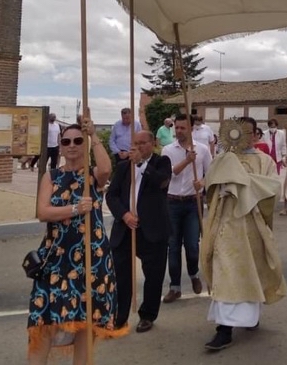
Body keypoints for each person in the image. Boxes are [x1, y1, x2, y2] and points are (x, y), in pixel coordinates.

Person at [27, 118, 125, 364]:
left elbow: (105, 169)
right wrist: (75, 209)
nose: (72, 145)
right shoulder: (51, 176)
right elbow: (43, 212)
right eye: (66, 141)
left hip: (93, 259)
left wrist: (94, 136)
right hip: (56, 257)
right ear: (59, 146)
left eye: (78, 141)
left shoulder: (92, 176)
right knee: (45, 319)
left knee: (87, 322)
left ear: (85, 144)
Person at [200, 117, 287, 351]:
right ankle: (224, 329)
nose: (247, 136)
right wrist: (217, 185)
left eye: (251, 132)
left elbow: (271, 189)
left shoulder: (265, 161)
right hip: (225, 225)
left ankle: (250, 316)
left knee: (252, 272)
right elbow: (210, 187)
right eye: (242, 132)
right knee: (224, 272)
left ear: (256, 135)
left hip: (252, 226)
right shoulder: (222, 159)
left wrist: (240, 185)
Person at [106, 131, 172, 333]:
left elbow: (162, 182)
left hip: (152, 229)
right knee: (121, 274)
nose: (139, 146)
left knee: (153, 275)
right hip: (126, 228)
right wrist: (124, 214)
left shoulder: (162, 162)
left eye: (143, 143)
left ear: (153, 143)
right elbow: (112, 195)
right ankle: (120, 316)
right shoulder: (124, 167)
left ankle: (148, 315)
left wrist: (142, 164)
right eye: (135, 143)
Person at [161, 114, 212, 303]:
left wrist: (203, 183)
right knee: (173, 247)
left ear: (191, 128)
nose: (179, 131)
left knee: (192, 245)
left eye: (183, 128)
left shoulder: (204, 150)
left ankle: (194, 274)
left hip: (193, 202)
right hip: (172, 202)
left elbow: (211, 171)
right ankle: (175, 287)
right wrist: (187, 161)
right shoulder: (167, 150)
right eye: (177, 127)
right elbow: (169, 173)